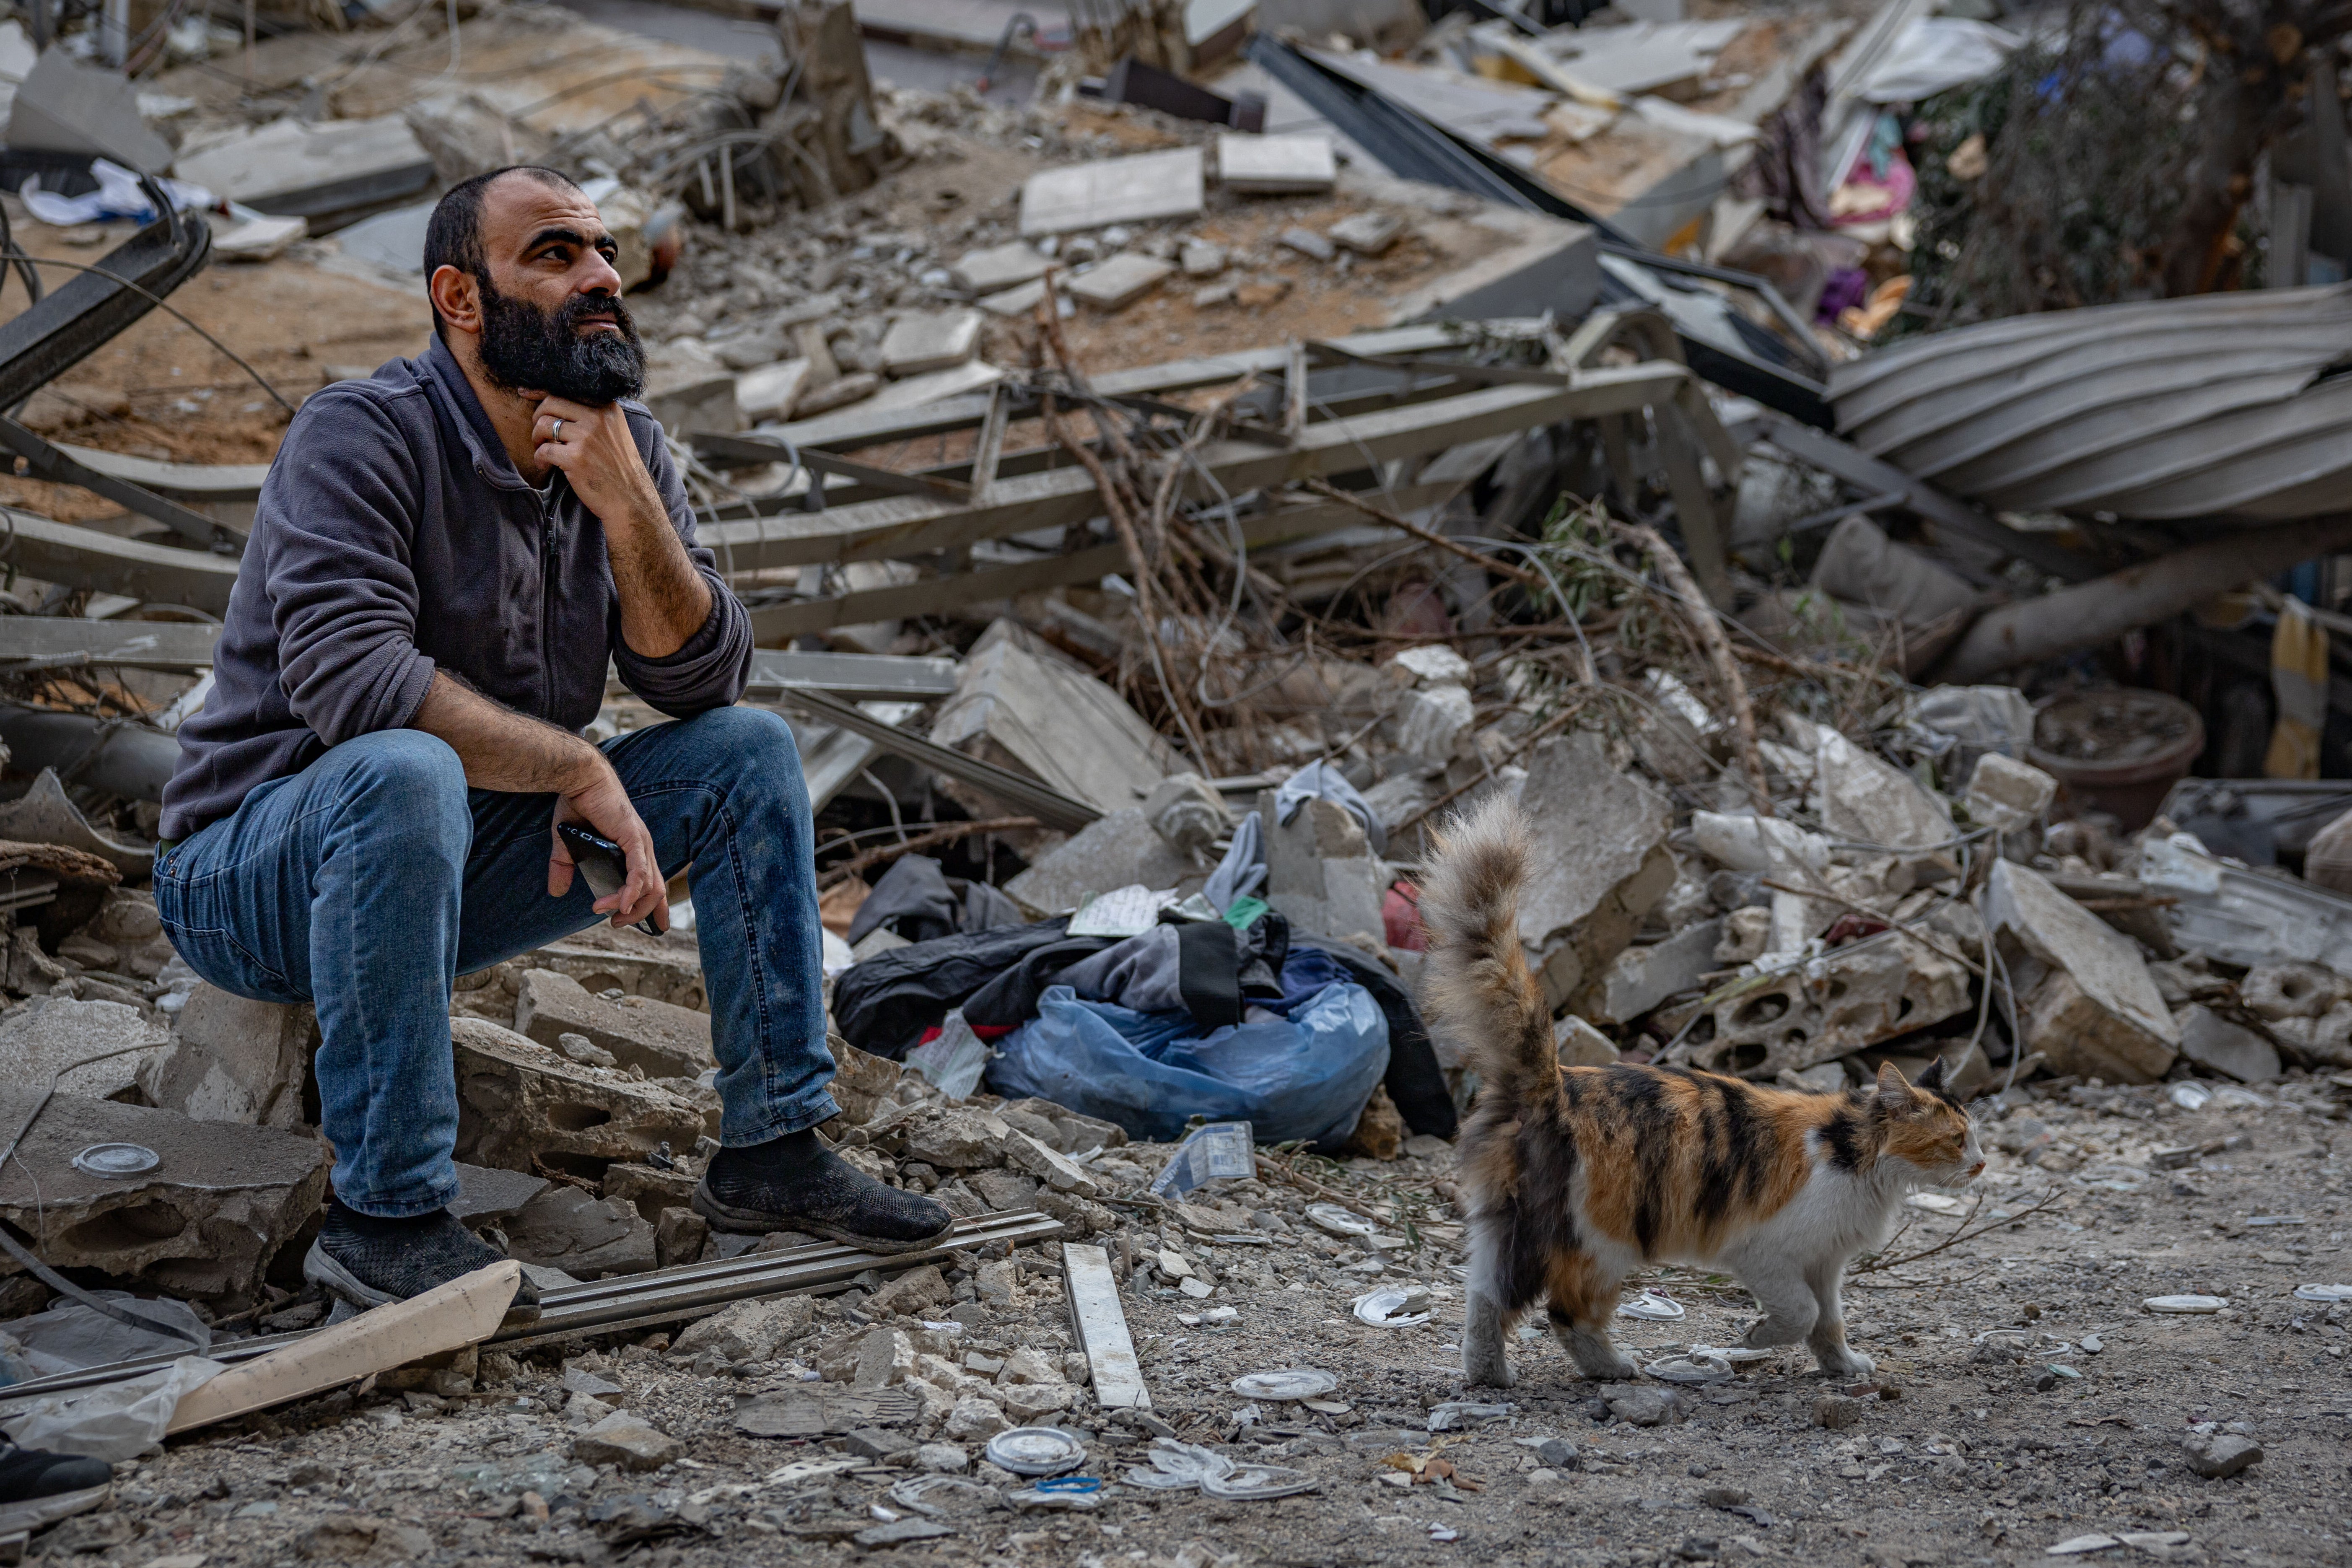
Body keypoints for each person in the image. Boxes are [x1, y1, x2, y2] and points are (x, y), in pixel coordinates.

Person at [153, 165, 950, 1318]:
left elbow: (703, 675)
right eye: (556, 255)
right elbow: (352, 682)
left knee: (747, 750)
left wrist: (627, 508)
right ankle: (385, 1220)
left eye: (603, 250)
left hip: (448, 867)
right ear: (460, 298)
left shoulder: (622, 448)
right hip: (250, 876)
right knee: (400, 765)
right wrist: (577, 766)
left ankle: (774, 1151)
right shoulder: (360, 435)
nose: (603, 277)